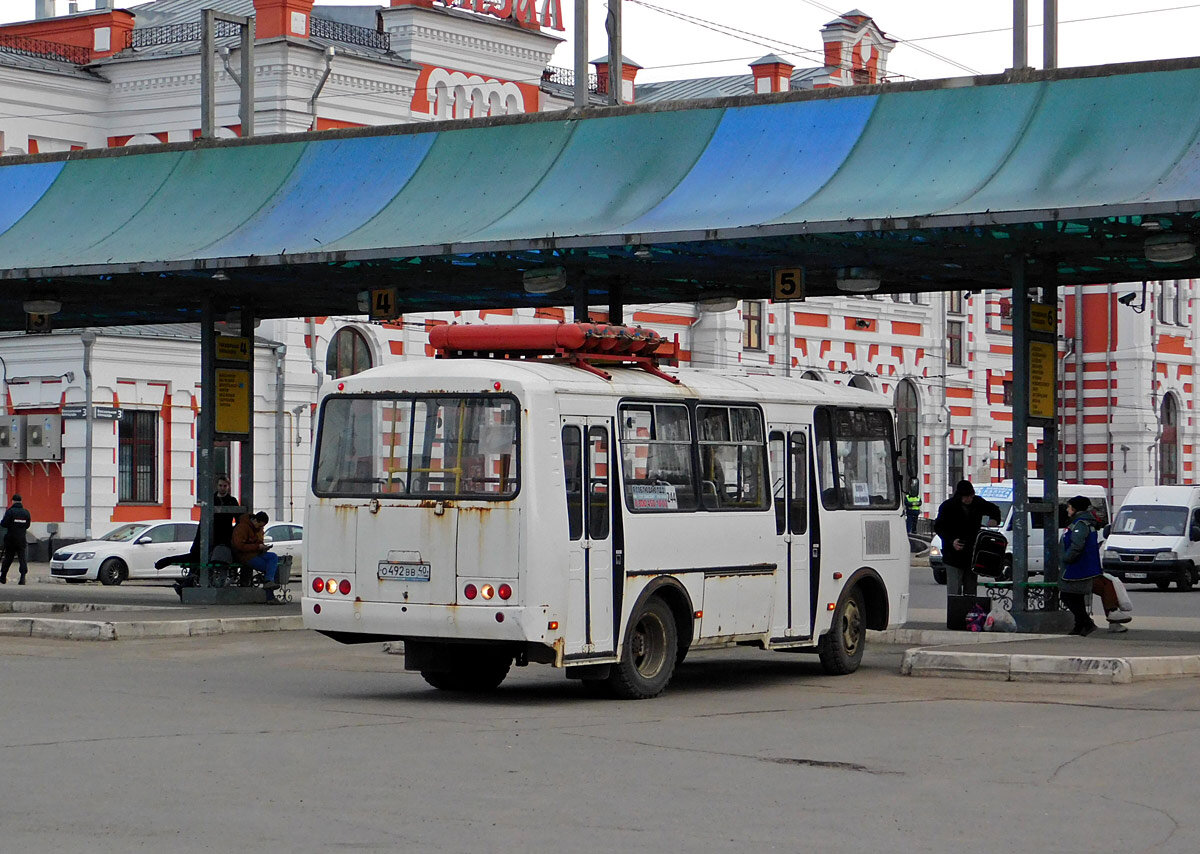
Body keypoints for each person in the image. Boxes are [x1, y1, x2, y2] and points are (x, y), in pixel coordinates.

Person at [933, 480, 1003, 597]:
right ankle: (955, 614)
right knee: (954, 592)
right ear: (960, 496)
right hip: (953, 556)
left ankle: (969, 613)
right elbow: (939, 527)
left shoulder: (977, 503)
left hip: (971, 555)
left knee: (970, 591)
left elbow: (994, 509)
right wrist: (951, 541)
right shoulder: (948, 506)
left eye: (971, 496)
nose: (969, 499)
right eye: (966, 497)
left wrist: (994, 519)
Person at [1060, 495, 1102, 636]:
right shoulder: (1083, 522)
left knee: (1067, 595)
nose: (1067, 509)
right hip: (1081, 566)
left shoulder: (1080, 524)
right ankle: (1080, 626)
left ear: (1075, 508)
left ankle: (1086, 623)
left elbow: (1077, 546)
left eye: (1069, 507)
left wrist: (1066, 558)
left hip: (1078, 567)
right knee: (1075, 596)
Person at [232, 511, 281, 602]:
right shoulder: (242, 528)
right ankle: (270, 596)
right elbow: (239, 546)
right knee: (270, 569)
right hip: (245, 556)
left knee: (273, 557)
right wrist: (257, 546)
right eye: (260, 525)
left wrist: (262, 547)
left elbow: (257, 541)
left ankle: (268, 583)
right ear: (255, 520)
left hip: (256, 553)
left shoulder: (257, 529)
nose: (261, 528)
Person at [0, 494, 31, 585]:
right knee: (22, 558)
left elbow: (4, 524)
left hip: (11, 539)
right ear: (21, 501)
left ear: (13, 501)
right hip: (21, 539)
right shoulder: (26, 512)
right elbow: (27, 525)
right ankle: (22, 578)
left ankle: (3, 577)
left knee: (8, 558)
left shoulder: (10, 512)